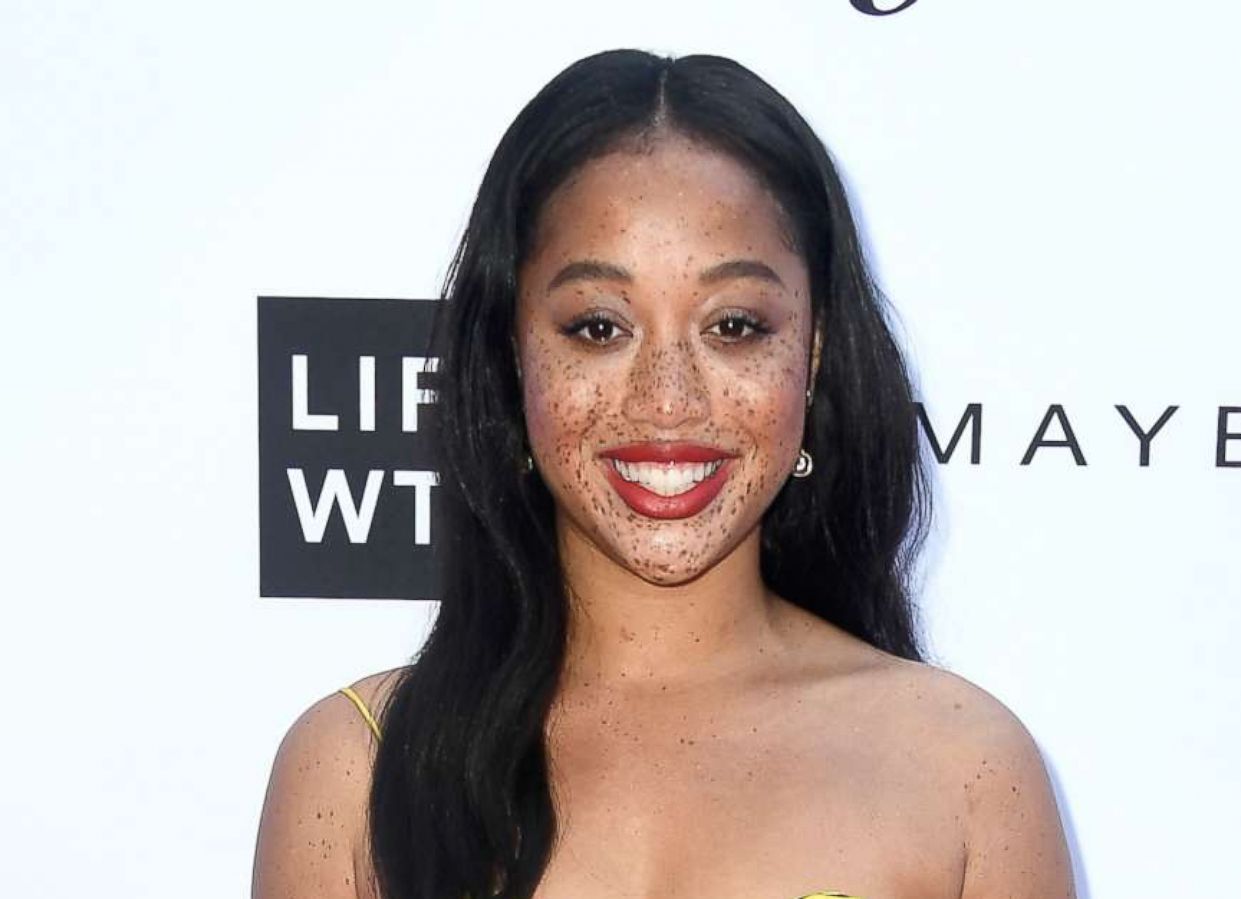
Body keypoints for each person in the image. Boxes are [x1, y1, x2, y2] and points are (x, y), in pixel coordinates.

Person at [252, 49, 1075, 899]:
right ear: (512, 353)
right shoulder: (355, 771)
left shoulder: (966, 771)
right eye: (600, 327)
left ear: (814, 351)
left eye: (735, 325)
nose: (670, 401)